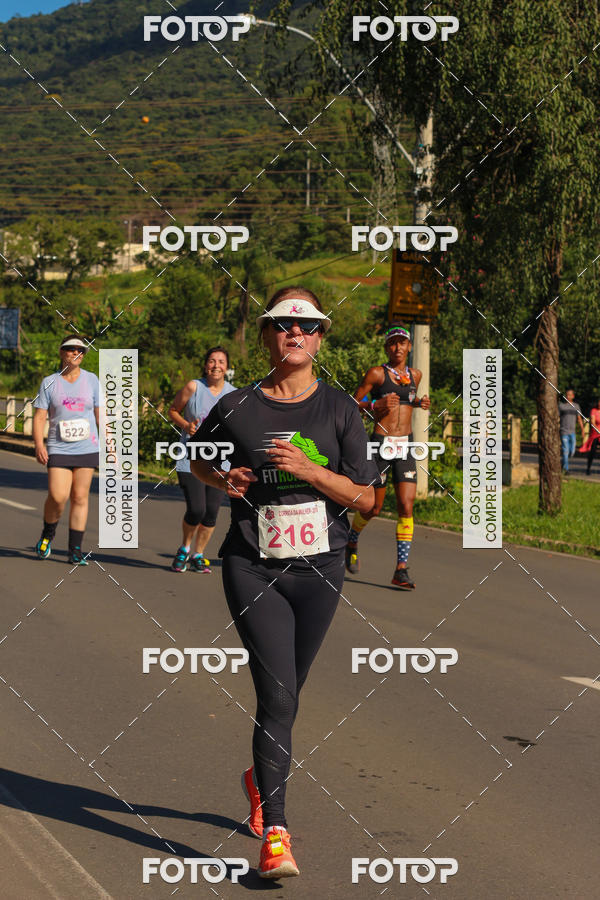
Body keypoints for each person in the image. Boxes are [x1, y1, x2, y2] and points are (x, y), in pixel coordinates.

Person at [189, 286, 377, 879]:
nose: (297, 332)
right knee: (276, 697)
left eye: (309, 325)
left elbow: (366, 499)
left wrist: (311, 470)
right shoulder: (238, 406)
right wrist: (223, 480)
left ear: (321, 338)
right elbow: (197, 459)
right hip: (253, 564)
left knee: (289, 696)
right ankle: (276, 834)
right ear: (269, 334)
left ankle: (258, 779)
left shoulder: (341, 409)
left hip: (321, 569)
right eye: (284, 324)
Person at [345, 323, 430, 590]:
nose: (397, 347)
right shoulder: (377, 374)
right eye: (392, 343)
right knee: (373, 508)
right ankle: (352, 538)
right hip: (381, 444)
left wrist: (418, 403)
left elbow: (406, 400)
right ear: (386, 347)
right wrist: (374, 404)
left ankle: (401, 570)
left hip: (405, 445)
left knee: (406, 505)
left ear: (409, 346)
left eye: (402, 342)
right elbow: (350, 404)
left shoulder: (416, 375)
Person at [167, 347, 235, 573]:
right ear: (206, 365)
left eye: (221, 361)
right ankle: (184, 548)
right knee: (196, 509)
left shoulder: (234, 394)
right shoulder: (193, 387)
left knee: (211, 513)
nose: (216, 365)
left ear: (227, 367)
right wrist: (186, 425)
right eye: (212, 361)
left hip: (221, 461)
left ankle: (198, 554)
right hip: (190, 458)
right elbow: (173, 410)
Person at [32, 336, 99, 565]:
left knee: (80, 497)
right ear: (62, 353)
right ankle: (47, 534)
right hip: (59, 447)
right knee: (58, 496)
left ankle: (75, 550)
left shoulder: (92, 380)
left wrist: (110, 445)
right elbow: (40, 416)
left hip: (87, 446)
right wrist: (39, 444)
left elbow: (100, 414)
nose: (76, 353)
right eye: (71, 349)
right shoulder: (49, 382)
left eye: (80, 350)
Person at [558, 388, 585, 475]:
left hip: (572, 432)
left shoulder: (576, 406)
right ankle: (566, 469)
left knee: (572, 451)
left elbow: (579, 418)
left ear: (573, 396)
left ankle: (563, 462)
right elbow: (557, 418)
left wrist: (582, 430)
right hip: (564, 431)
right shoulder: (561, 406)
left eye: (570, 395)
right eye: (567, 395)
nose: (568, 396)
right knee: (565, 450)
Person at [577, 398, 600, 475]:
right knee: (592, 451)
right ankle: (588, 468)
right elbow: (592, 422)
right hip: (595, 433)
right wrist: (597, 430)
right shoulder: (594, 410)